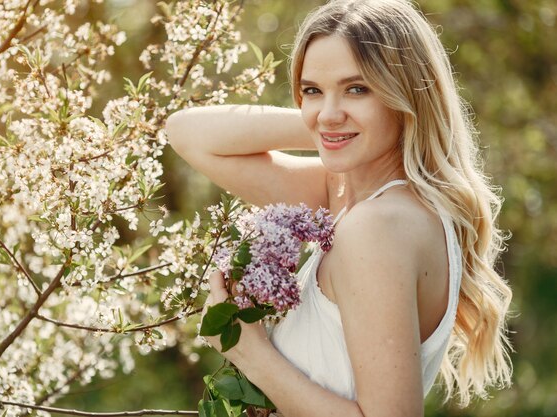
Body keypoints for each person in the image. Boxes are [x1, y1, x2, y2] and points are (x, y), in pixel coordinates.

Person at [165, 0, 512, 415]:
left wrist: (252, 356)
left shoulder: (377, 226)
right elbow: (186, 132)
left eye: (357, 88)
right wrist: (332, 124)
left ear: (406, 97)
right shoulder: (354, 196)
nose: (328, 111)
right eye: (312, 90)